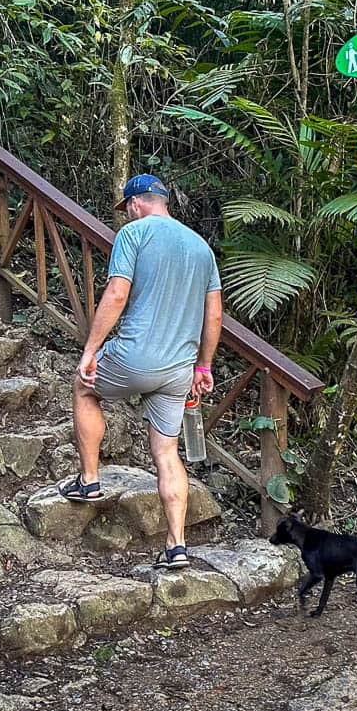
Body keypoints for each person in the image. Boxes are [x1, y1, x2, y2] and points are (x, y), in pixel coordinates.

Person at [62, 174, 223, 570]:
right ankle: (176, 545)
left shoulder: (133, 235)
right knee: (166, 451)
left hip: (135, 358)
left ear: (134, 204)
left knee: (84, 389)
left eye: (125, 210)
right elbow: (214, 313)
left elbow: (116, 293)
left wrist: (91, 350)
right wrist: (203, 366)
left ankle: (89, 479)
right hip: (178, 370)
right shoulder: (201, 248)